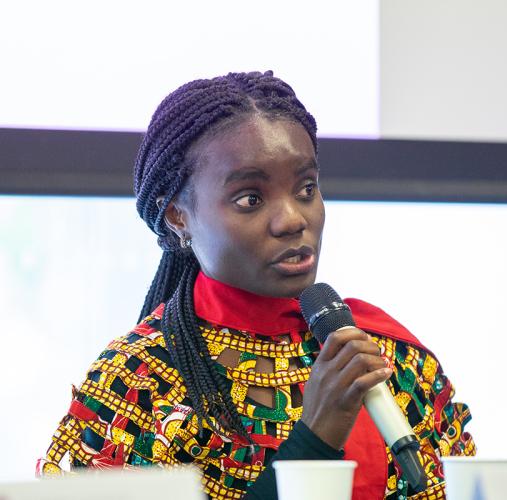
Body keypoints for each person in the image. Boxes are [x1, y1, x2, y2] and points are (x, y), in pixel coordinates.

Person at [38, 71, 475, 499]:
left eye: (306, 188)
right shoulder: (141, 380)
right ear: (178, 216)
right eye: (251, 198)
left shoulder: (392, 357)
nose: (293, 219)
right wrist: (314, 441)